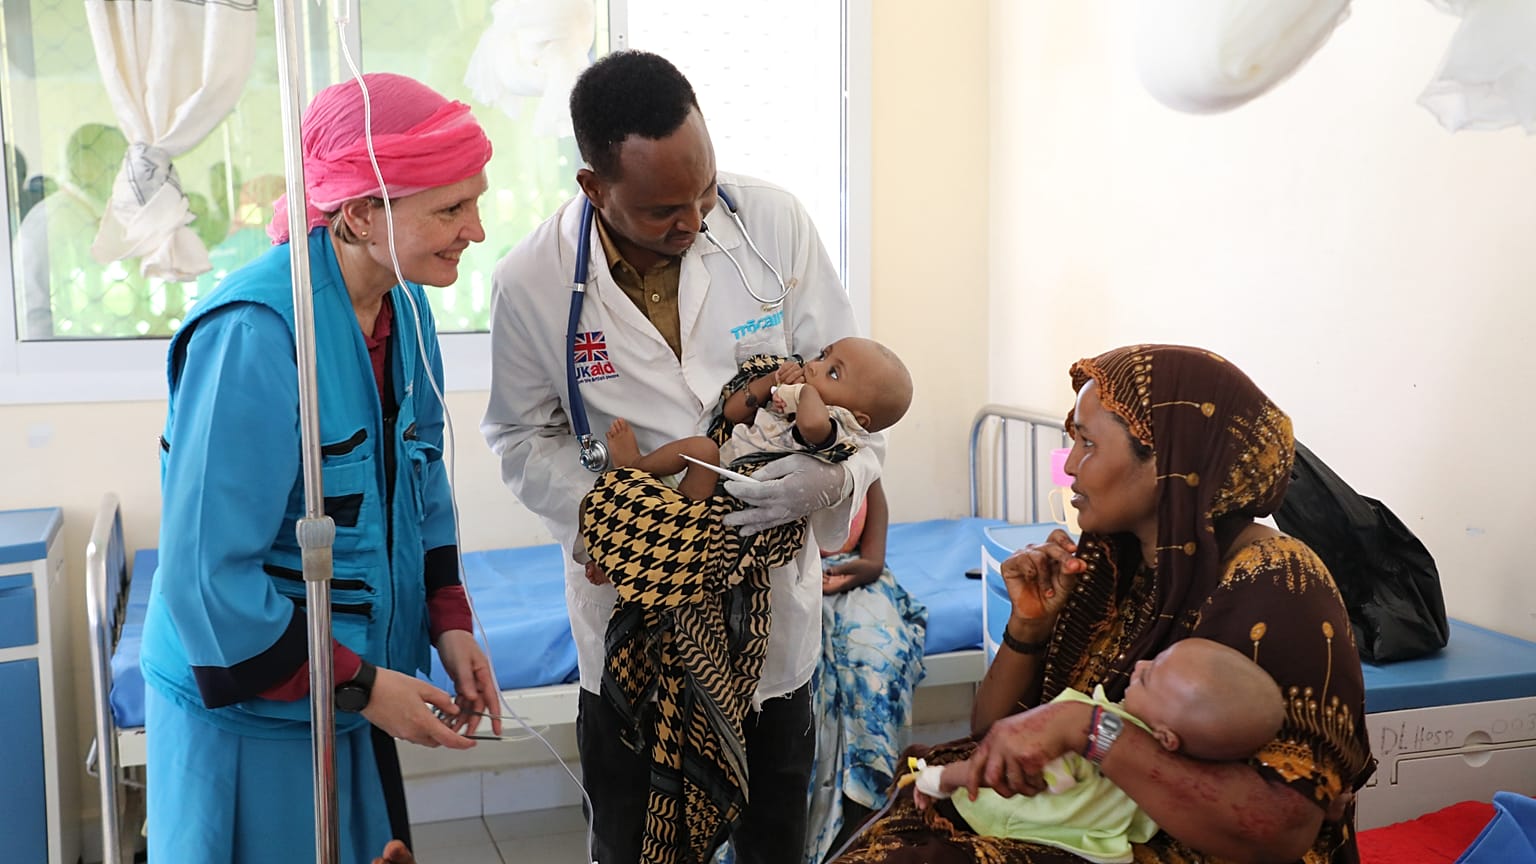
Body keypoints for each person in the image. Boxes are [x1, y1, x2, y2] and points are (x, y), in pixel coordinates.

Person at [481, 50, 883, 864]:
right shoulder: (532, 281)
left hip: (772, 622)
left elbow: (859, 389)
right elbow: (521, 438)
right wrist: (608, 519)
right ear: (594, 188)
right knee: (636, 845)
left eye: (703, 191)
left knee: (775, 843)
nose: (695, 221)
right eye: (665, 208)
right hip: (637, 616)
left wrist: (833, 475)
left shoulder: (772, 222)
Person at [140, 72, 502, 864]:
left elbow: (419, 484)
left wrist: (450, 620)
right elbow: (206, 578)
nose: (475, 229)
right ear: (364, 212)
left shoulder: (405, 309)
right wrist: (364, 685)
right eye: (450, 208)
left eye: (475, 201)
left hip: (345, 694)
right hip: (249, 715)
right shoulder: (256, 336)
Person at [831, 344, 1376, 864]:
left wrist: (1091, 730)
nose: (1069, 467)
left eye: (1088, 444)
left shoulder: (1277, 582)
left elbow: (1281, 827)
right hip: (1087, 825)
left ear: (1169, 462)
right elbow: (993, 736)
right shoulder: (1115, 565)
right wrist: (1029, 627)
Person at [909, 638, 1285, 863]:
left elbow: (1001, 772)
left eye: (1149, 675)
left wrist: (938, 779)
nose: (1138, 664)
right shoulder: (1181, 770)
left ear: (1168, 736)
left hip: (1002, 820)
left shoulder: (1090, 730)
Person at [603, 337, 911, 501]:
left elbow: (814, 427)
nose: (815, 366)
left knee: (700, 454)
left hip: (726, 492)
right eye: (822, 355)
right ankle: (637, 466)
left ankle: (636, 468)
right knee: (700, 449)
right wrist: (772, 379)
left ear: (861, 418)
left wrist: (805, 391)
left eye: (833, 372)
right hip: (718, 468)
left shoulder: (839, 424)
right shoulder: (800, 395)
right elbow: (732, 412)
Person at [807, 477, 929, 864]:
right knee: (805, 674)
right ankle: (807, 827)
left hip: (855, 579)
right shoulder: (776, 463)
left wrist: (845, 577)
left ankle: (867, 806)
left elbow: (873, 562)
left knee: (878, 659)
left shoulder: (864, 473)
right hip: (793, 577)